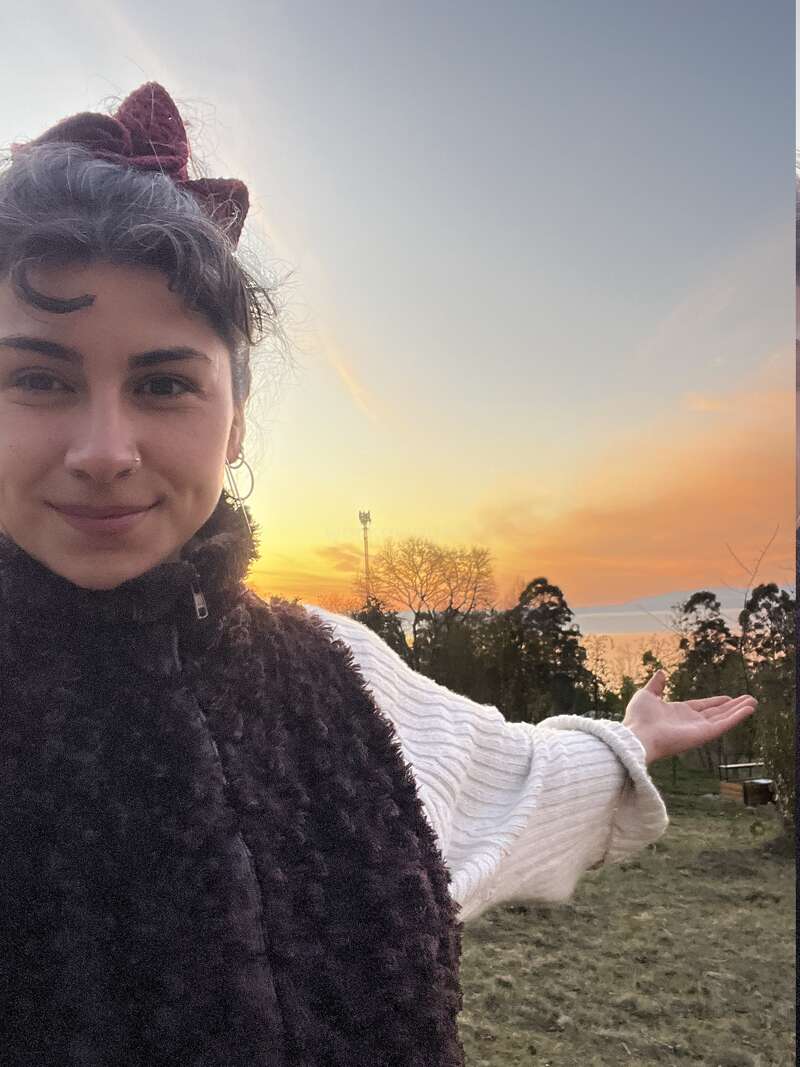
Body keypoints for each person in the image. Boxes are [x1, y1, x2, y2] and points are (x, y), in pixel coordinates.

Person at [0, 83, 757, 1066]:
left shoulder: (335, 674)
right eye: (39, 378)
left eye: (163, 383)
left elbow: (510, 781)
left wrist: (631, 738)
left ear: (235, 422)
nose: (105, 450)